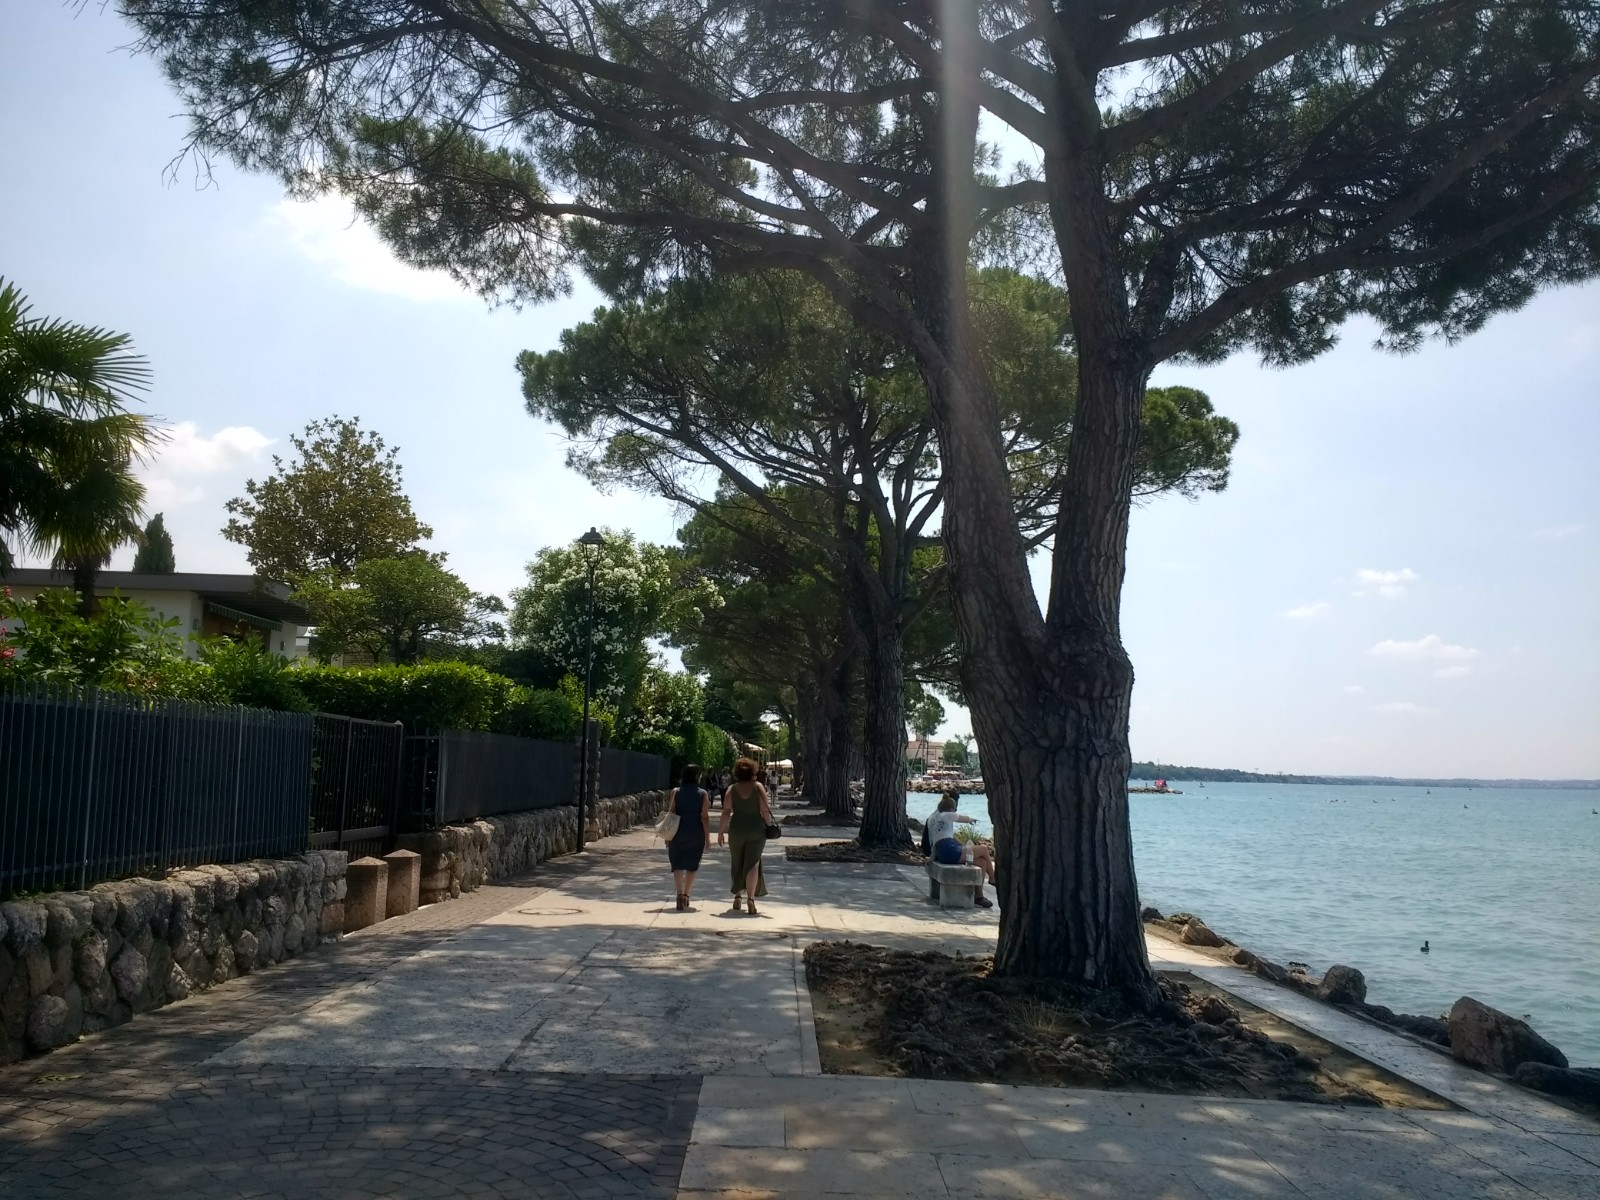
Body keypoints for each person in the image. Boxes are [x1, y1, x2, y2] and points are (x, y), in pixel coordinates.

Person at [718, 757, 773, 915]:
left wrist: (721, 831)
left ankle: (737, 896)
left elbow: (726, 811)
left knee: (737, 861)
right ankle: (750, 898)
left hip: (737, 829)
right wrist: (768, 826)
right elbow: (764, 810)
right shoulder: (758, 787)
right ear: (753, 771)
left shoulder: (732, 789)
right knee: (753, 863)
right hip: (756, 828)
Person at [925, 792, 994, 909]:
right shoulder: (946, 815)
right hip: (950, 851)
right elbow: (963, 818)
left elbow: (935, 840)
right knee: (983, 849)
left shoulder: (932, 818)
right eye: (954, 809)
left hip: (943, 852)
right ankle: (993, 878)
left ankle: (979, 896)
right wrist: (971, 819)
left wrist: (932, 857)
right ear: (951, 808)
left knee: (982, 862)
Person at [666, 764, 711, 911]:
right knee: (692, 864)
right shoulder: (703, 794)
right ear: (697, 776)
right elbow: (704, 816)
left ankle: (679, 893)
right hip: (696, 832)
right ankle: (686, 895)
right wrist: (707, 837)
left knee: (677, 863)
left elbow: (671, 812)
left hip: (677, 831)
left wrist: (667, 834)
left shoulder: (676, 792)